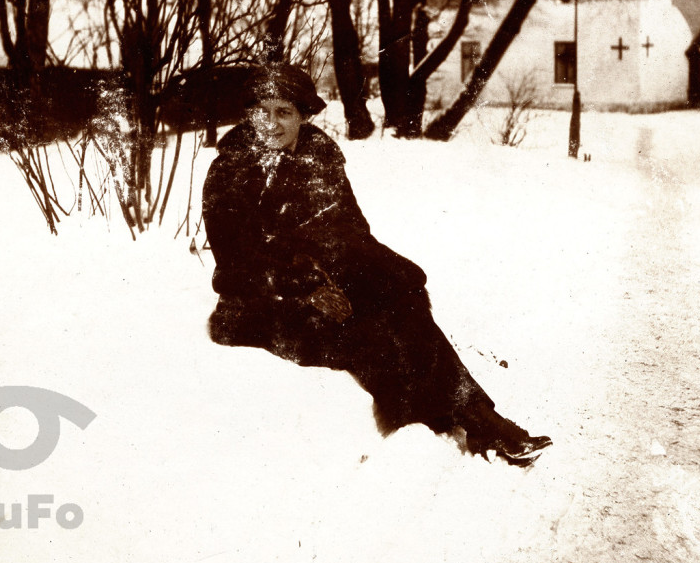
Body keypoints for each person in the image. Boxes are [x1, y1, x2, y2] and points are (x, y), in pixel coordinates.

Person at [201, 64, 551, 466]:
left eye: (284, 112)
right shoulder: (231, 171)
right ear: (248, 114)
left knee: (402, 304)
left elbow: (352, 233)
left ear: (303, 115)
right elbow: (235, 266)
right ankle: (455, 420)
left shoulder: (319, 159)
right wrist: (306, 286)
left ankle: (480, 420)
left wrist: (391, 273)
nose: (271, 123)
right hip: (260, 307)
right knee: (371, 333)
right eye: (262, 111)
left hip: (319, 290)